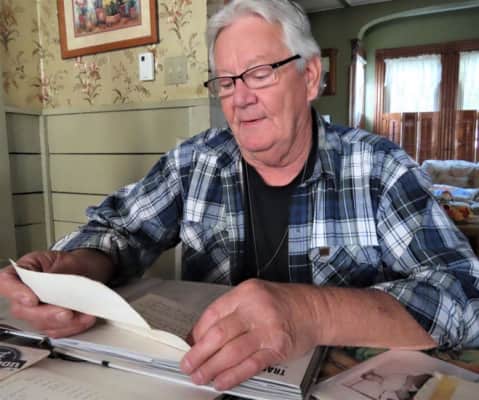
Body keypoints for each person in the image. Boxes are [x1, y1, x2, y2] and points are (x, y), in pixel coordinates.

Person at [0, 0, 478, 392]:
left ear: (311, 77)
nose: (239, 98)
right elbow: (119, 231)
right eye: (226, 81)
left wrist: (313, 312)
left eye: (260, 73)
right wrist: (74, 270)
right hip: (204, 381)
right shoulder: (195, 161)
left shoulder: (379, 168)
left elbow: (465, 295)